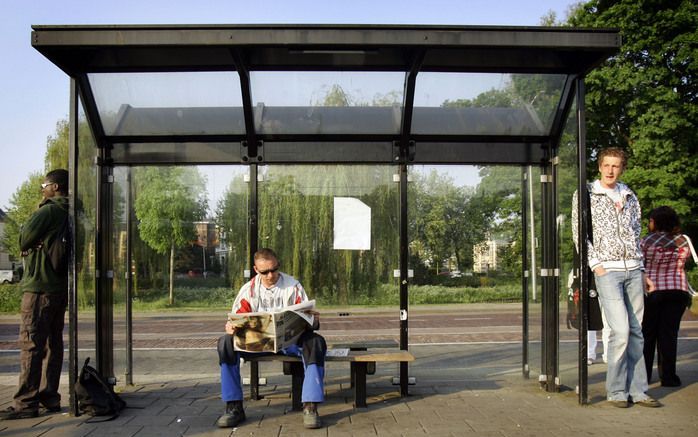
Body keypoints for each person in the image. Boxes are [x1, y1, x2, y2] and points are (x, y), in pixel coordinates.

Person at [572, 148, 660, 408]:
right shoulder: (586, 194)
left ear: (622, 168)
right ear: (599, 167)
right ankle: (617, 391)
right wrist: (596, 265)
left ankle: (639, 390)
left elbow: (636, 233)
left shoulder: (630, 195)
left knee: (636, 332)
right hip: (607, 271)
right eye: (607, 165)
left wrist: (642, 269)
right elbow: (580, 233)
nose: (611, 170)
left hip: (633, 269)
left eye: (616, 166)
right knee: (619, 331)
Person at [216, 248, 326, 429]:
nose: (270, 275)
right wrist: (231, 327)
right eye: (264, 272)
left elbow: (307, 318)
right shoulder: (248, 291)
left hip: (290, 342)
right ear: (255, 270)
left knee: (316, 342)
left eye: (274, 269)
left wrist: (313, 320)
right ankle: (233, 407)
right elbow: (236, 319)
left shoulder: (293, 286)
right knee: (225, 343)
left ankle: (310, 406)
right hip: (257, 343)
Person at [0, 169, 70, 420]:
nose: (42, 189)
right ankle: (49, 396)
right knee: (54, 344)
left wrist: (32, 244)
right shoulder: (71, 213)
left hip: (39, 287)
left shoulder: (49, 210)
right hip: (60, 289)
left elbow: (22, 239)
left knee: (31, 345)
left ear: (55, 187)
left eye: (45, 185)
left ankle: (26, 404)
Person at [641, 206, 693, 387]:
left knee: (648, 335)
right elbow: (684, 262)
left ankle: (644, 376)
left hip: (652, 291)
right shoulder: (683, 242)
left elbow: (641, 264)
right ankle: (669, 376)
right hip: (678, 290)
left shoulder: (646, 241)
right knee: (669, 335)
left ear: (655, 222)